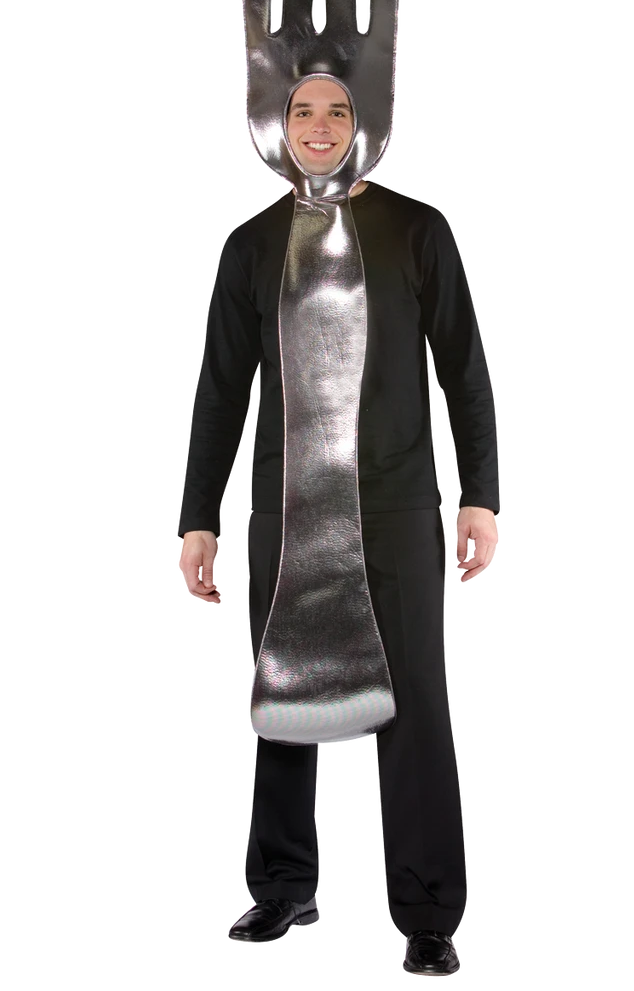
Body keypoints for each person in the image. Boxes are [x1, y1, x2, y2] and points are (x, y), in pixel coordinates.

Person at [178, 77, 500, 976]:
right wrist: (198, 519)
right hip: (288, 503)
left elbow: (465, 373)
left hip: (395, 502)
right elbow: (219, 394)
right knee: (285, 690)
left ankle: (427, 911)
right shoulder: (252, 246)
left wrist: (479, 496)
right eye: (302, 112)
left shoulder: (415, 230)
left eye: (338, 111)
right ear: (275, 124)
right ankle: (283, 887)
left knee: (415, 702)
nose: (319, 128)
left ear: (367, 123)